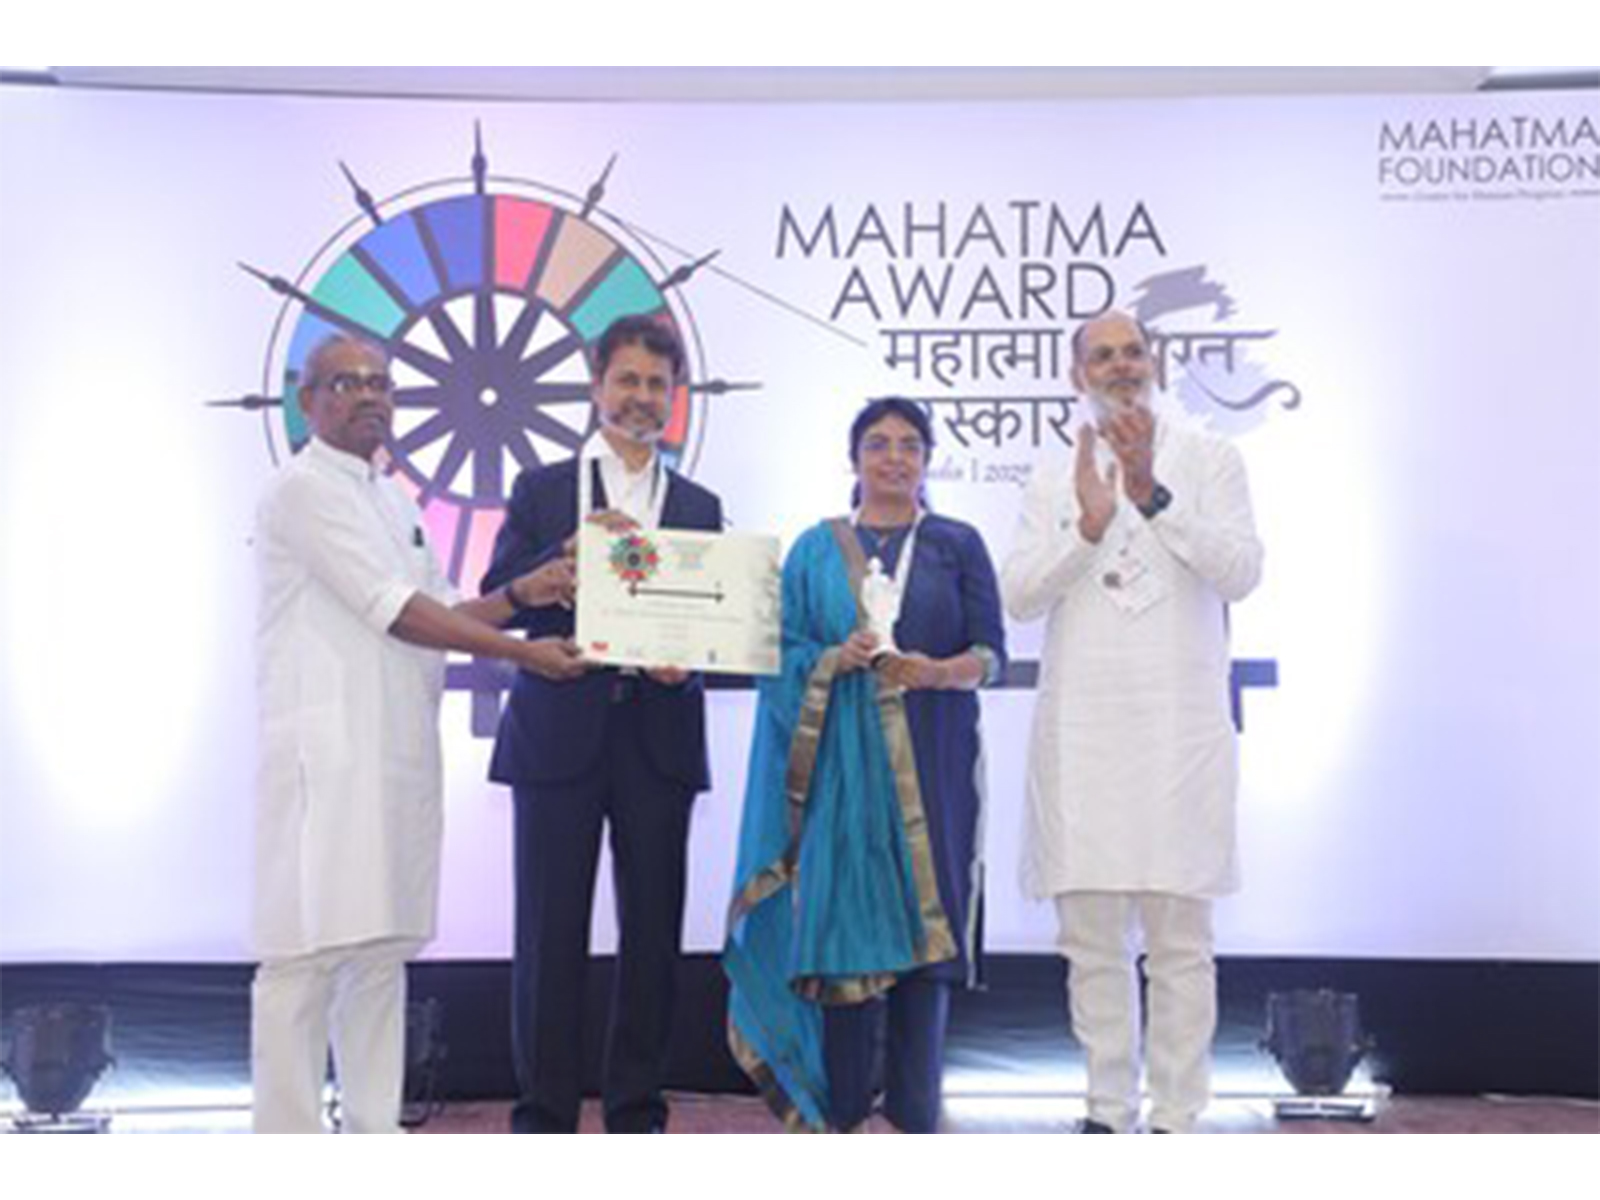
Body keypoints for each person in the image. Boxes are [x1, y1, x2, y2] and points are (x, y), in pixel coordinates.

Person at [253, 332, 584, 1134]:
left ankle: (373, 1139)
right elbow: (398, 612)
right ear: (309, 401)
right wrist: (522, 651)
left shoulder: (390, 497)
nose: (368, 396)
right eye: (345, 384)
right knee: (302, 960)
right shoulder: (301, 489)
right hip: (323, 761)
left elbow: (443, 606)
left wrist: (523, 589)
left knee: (377, 956)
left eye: (379, 384)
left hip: (393, 752)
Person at [999, 309, 1263, 1133]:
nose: (1120, 366)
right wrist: (1085, 527)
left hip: (1178, 730)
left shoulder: (1213, 459)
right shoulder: (1050, 477)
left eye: (1132, 352)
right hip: (1085, 732)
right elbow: (1019, 596)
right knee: (1091, 942)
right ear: (1077, 376)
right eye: (1102, 356)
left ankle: (1176, 1119)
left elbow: (1242, 571)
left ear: (1156, 362)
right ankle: (1107, 1112)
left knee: (1182, 941)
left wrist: (1152, 497)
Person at [725, 397, 1006, 1132]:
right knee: (845, 944)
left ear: (927, 459)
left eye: (909, 445)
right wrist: (828, 659)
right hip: (840, 783)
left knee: (926, 943)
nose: (893, 457)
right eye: (877, 444)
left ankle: (918, 1121)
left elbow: (992, 655)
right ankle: (842, 1117)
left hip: (934, 772)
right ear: (854, 460)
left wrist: (936, 672)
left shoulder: (957, 543)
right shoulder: (815, 551)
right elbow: (773, 656)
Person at [482, 314, 723, 1134]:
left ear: (674, 399)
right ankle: (543, 1115)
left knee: (653, 932)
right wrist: (553, 571)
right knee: (548, 932)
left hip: (658, 736)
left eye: (658, 384)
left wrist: (688, 657)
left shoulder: (697, 504)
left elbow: (715, 621)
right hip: (559, 731)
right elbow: (499, 596)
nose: (642, 398)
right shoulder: (542, 488)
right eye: (627, 380)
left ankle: (636, 1112)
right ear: (596, 388)